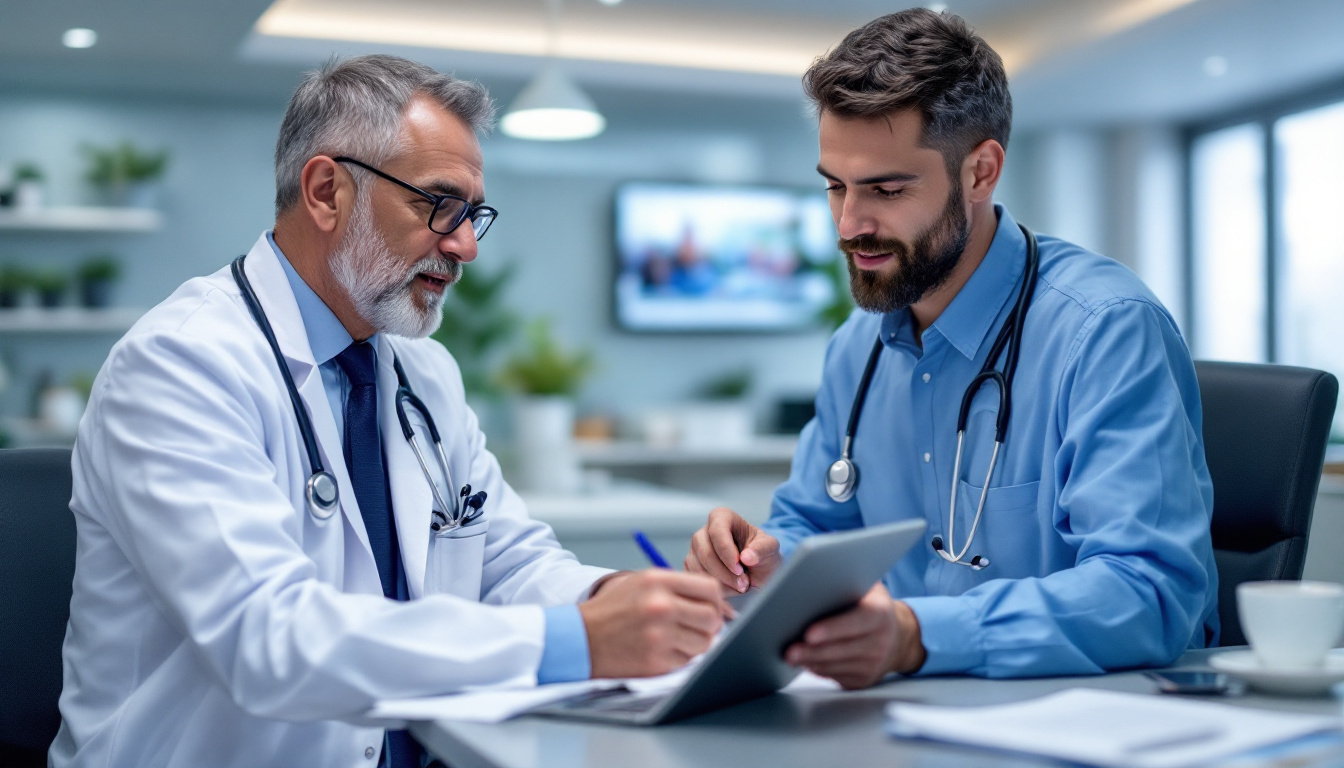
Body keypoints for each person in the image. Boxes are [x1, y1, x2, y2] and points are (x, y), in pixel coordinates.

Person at [52, 55, 727, 768]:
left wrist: (621, 599)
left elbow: (505, 559)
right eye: (437, 203)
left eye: (473, 215)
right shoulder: (180, 365)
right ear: (325, 191)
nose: (464, 244)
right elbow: (267, 640)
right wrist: (580, 641)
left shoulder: (421, 372)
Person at [686, 9, 1219, 688]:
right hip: (896, 720)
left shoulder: (1104, 331)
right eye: (834, 186)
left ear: (980, 171)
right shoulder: (859, 348)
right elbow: (814, 522)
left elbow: (1150, 593)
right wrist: (764, 560)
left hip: (1083, 721)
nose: (850, 224)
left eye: (886, 188)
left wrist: (914, 636)